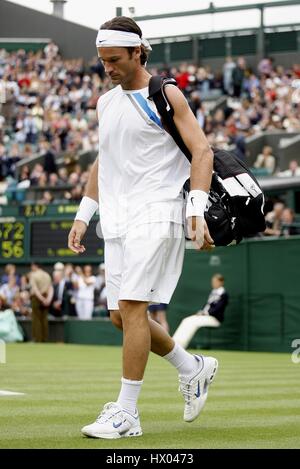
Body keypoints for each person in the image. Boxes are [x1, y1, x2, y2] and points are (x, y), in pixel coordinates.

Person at [68, 16, 217, 440]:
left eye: (115, 59)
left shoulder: (165, 93)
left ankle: (127, 413)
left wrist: (197, 209)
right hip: (117, 219)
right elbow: (104, 161)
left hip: (158, 211)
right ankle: (193, 367)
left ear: (138, 51)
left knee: (134, 308)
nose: (108, 68)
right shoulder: (105, 103)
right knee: (120, 316)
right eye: (102, 61)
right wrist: (84, 214)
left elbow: (202, 150)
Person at [173, 274, 229, 349]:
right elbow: (207, 306)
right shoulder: (213, 292)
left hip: (215, 318)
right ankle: (174, 343)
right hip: (205, 316)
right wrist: (201, 312)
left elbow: (218, 309)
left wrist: (205, 313)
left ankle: (181, 346)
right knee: (187, 320)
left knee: (194, 322)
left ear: (221, 282)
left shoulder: (223, 294)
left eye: (215, 281)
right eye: (213, 281)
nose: (213, 283)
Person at [29, 263, 53, 343]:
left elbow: (35, 290)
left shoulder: (33, 275)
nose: (31, 268)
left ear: (35, 266)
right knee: (44, 319)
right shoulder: (47, 275)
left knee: (36, 319)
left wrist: (41, 299)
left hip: (37, 299)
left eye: (32, 266)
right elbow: (50, 288)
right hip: (46, 297)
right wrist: (48, 300)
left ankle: (37, 339)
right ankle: (44, 339)